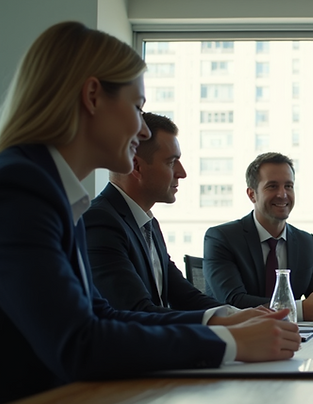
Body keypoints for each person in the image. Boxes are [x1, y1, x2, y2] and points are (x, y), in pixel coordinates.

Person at [0, 21, 300, 404]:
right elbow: (80, 343)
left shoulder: (55, 195)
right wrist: (231, 343)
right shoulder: (13, 188)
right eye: (138, 107)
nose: (144, 129)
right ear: (93, 96)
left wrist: (220, 321)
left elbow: (101, 315)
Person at [85, 112, 234, 313]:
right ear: (136, 167)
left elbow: (185, 296)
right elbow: (137, 311)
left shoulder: (148, 223)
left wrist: (243, 317)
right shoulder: (100, 221)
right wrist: (232, 324)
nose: (182, 173)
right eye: (171, 162)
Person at [203, 152, 313, 321]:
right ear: (252, 194)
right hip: (238, 341)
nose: (282, 194)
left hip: (297, 342)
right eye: (272, 186)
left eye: (288, 186)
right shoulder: (222, 238)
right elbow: (233, 302)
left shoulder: (306, 242)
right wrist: (299, 310)